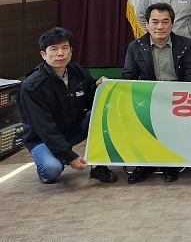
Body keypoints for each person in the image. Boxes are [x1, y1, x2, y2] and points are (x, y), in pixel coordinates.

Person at [18, 27, 118, 184]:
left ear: (71, 51)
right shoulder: (32, 87)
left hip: (72, 130)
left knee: (102, 112)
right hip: (41, 138)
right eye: (54, 49)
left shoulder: (79, 72)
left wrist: (98, 88)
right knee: (52, 169)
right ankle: (52, 158)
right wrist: (69, 157)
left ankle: (99, 166)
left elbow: (89, 101)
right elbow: (44, 127)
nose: (60, 53)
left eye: (64, 47)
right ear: (43, 54)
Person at [122, 3, 191, 184]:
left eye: (165, 22)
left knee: (172, 120)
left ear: (172, 24)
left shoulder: (186, 45)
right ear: (147, 24)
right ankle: (144, 165)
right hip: (147, 99)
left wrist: (178, 98)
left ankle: (169, 164)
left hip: (178, 99)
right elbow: (129, 76)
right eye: (155, 22)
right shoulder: (135, 47)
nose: (160, 27)